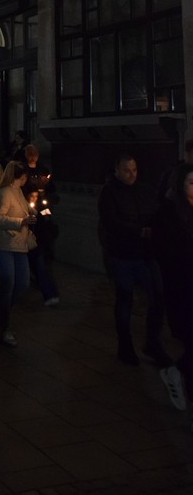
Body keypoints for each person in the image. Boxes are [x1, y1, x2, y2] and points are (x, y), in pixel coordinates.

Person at [98, 153, 170, 367]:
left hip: (146, 253)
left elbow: (156, 212)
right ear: (117, 171)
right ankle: (125, 346)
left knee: (158, 296)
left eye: (134, 170)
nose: (132, 175)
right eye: (127, 171)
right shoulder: (109, 193)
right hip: (122, 254)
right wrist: (138, 230)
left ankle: (153, 343)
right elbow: (111, 222)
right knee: (125, 298)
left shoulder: (144, 191)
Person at [152, 162, 193, 418]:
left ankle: (175, 372)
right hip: (183, 292)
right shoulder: (168, 215)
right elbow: (167, 255)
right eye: (191, 183)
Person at [0, 161, 37, 347]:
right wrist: (21, 221)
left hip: (19, 244)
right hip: (5, 244)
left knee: (23, 282)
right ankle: (4, 326)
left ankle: (1, 312)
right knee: (8, 282)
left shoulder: (18, 192)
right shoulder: (4, 193)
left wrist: (31, 211)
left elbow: (22, 209)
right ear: (22, 177)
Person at [22, 144, 60, 306]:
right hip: (28, 218)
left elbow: (51, 194)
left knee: (40, 258)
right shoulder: (23, 171)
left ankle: (46, 289)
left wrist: (46, 187)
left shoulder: (42, 170)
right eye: (29, 154)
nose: (32, 157)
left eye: (35, 154)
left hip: (42, 221)